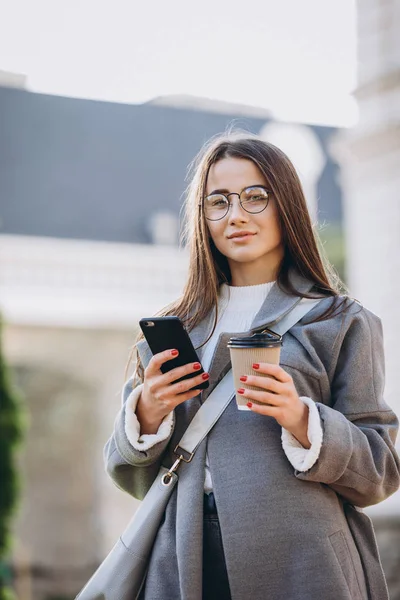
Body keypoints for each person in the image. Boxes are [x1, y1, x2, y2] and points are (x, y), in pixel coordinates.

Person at [104, 132, 400, 600]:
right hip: (184, 565)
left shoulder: (340, 321)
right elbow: (128, 474)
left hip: (305, 567)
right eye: (217, 202)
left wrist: (302, 419)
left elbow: (379, 473)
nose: (236, 215)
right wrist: (147, 413)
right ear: (201, 217)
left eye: (255, 197)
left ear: (287, 204)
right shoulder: (173, 331)